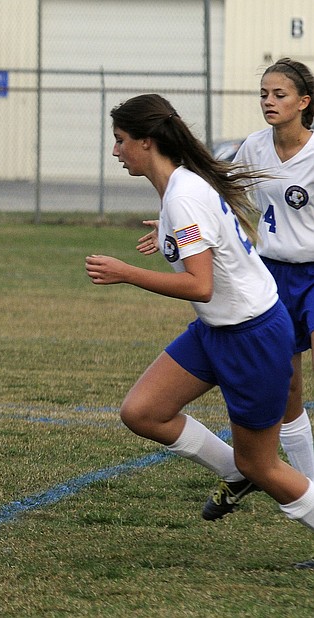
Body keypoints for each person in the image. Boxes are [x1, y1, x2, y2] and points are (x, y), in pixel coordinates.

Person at [85, 93, 314, 564]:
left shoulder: (185, 194)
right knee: (143, 411)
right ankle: (236, 472)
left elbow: (200, 285)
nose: (115, 151)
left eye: (120, 140)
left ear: (146, 142)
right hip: (216, 331)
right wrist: (171, 231)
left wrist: (126, 272)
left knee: (265, 465)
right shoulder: (179, 189)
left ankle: (247, 471)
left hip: (250, 335)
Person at [200, 58, 314, 521]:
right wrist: (177, 227)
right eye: (264, 93)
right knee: (287, 389)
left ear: (304, 102)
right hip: (270, 277)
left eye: (279, 94)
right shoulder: (253, 147)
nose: (269, 101)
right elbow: (218, 192)